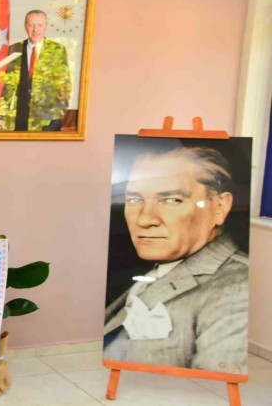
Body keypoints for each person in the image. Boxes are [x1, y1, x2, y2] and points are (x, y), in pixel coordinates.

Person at [103, 147, 248, 373]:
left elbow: (217, 374)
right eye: (134, 199)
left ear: (220, 207)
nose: (145, 219)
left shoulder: (236, 288)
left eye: (172, 200)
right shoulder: (156, 271)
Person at [0, 10, 72, 131]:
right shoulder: (14, 48)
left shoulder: (57, 50)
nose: (35, 30)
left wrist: (58, 113)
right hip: (19, 116)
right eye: (31, 25)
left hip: (48, 118)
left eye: (39, 25)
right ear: (25, 26)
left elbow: (64, 85)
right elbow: (6, 84)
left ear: (45, 26)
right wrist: (2, 113)